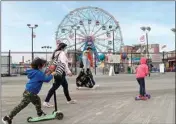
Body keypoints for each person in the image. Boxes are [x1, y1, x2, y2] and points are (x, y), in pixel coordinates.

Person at [2, 58, 55, 124]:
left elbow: (43, 75)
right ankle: (7, 117)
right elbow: (46, 79)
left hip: (28, 91)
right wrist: (52, 74)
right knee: (22, 105)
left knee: (37, 101)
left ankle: (40, 113)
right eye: (43, 66)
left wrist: (49, 72)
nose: (44, 67)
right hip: (31, 93)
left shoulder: (34, 71)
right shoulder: (38, 73)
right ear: (39, 66)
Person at [43, 43, 76, 107]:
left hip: (57, 72)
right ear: (62, 48)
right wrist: (68, 71)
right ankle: (46, 101)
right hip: (60, 72)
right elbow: (63, 63)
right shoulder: (62, 53)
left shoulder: (55, 53)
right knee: (55, 87)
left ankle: (69, 100)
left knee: (65, 86)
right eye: (65, 48)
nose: (66, 49)